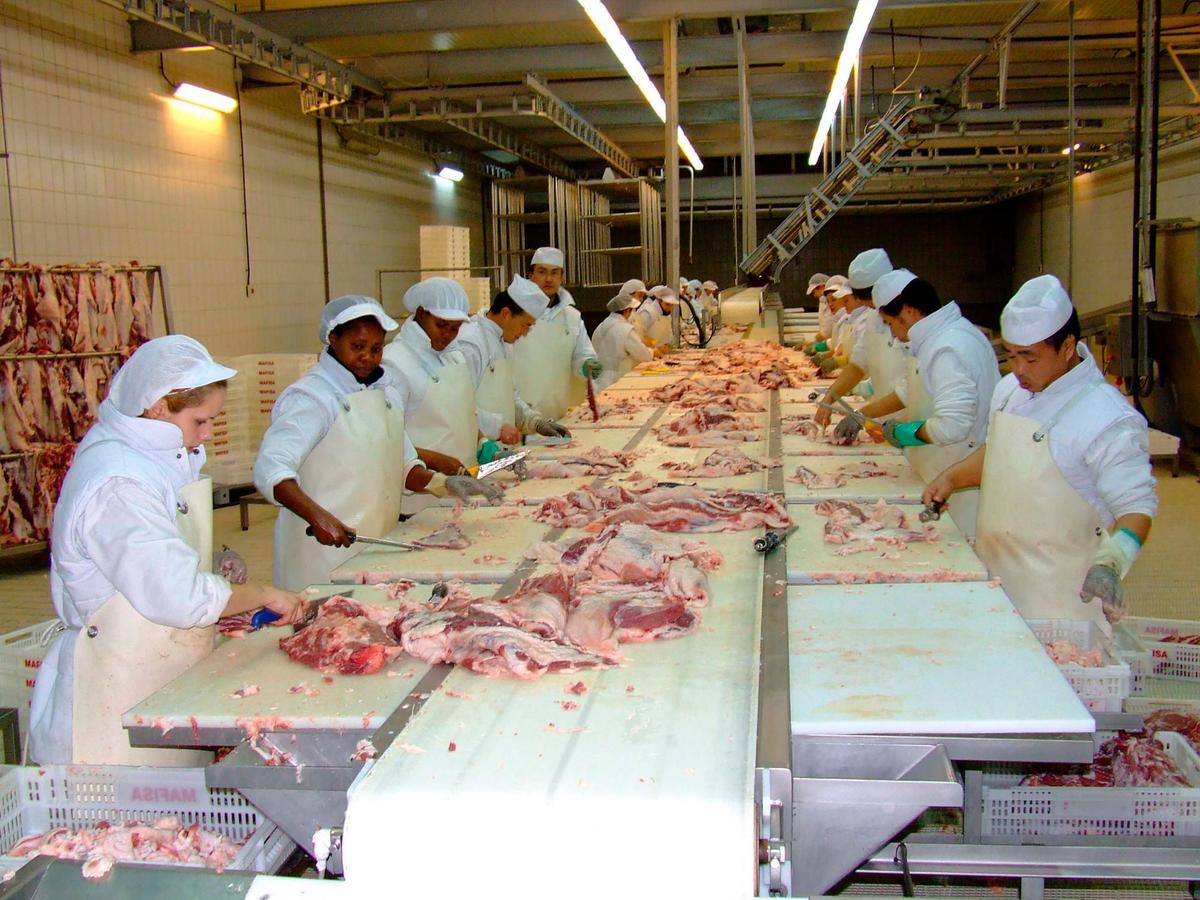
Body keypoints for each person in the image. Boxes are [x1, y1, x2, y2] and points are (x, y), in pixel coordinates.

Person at [29, 336, 307, 766]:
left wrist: (209, 563)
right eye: (200, 420)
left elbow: (150, 552)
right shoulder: (118, 481)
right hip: (111, 696)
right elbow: (179, 595)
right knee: (128, 829)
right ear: (158, 407)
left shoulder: (153, 454)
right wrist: (264, 593)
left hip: (156, 678)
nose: (207, 433)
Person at [923, 275, 1156, 629]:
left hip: (1061, 600)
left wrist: (1112, 562)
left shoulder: (1107, 418)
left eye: (1030, 358)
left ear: (1067, 346)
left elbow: (1136, 508)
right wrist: (952, 477)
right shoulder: (1010, 391)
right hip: (997, 581)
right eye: (1012, 356)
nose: (1018, 370)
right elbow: (1000, 452)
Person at [255, 295, 498, 593]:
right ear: (333, 338)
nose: (368, 357)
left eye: (376, 348)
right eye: (357, 347)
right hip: (322, 551)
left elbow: (405, 465)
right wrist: (317, 517)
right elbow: (272, 469)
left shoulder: (386, 393)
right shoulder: (312, 397)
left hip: (376, 544)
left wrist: (443, 484)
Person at [832, 269, 1000, 537]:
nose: (893, 334)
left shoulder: (948, 348)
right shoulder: (938, 338)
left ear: (909, 312)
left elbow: (952, 426)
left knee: (957, 553)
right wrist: (861, 415)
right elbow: (911, 391)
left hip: (958, 475)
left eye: (890, 323)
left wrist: (904, 433)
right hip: (941, 470)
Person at [382, 279, 497, 480]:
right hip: (421, 492)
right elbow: (388, 440)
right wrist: (435, 461)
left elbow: (461, 414)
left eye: (455, 328)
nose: (447, 335)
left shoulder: (454, 355)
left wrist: (481, 442)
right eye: (441, 325)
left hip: (464, 483)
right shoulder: (394, 362)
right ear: (421, 314)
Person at [449, 274, 571, 451]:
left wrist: (534, 421)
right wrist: (495, 429)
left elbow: (510, 396)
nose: (526, 333)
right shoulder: (470, 344)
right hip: (475, 450)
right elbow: (460, 406)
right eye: (525, 325)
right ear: (506, 314)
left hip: (501, 449)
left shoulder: (505, 342)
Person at [513, 247, 602, 419]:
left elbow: (583, 355)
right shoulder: (515, 311)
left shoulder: (572, 317)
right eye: (542, 272)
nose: (548, 279)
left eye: (554, 273)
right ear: (530, 275)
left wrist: (588, 365)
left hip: (557, 412)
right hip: (519, 415)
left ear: (562, 277)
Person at [814, 248, 907, 404]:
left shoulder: (909, 315)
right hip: (881, 406)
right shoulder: (874, 313)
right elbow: (860, 360)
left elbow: (910, 384)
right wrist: (831, 397)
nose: (870, 306)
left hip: (912, 416)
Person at [592, 292, 655, 389]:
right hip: (616, 379)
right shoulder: (625, 329)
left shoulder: (601, 326)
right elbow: (644, 355)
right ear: (626, 311)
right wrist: (652, 351)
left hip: (598, 380)